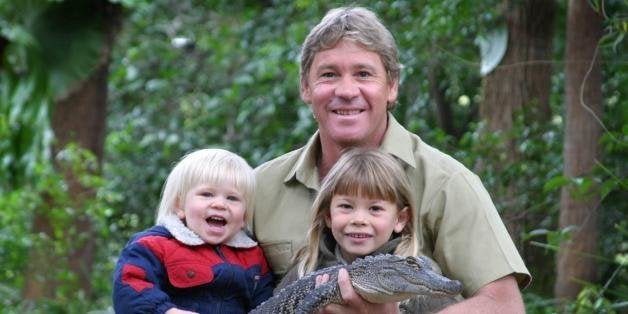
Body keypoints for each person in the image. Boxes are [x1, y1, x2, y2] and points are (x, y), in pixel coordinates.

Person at [250, 6, 531, 314]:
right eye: (329, 74)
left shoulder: (447, 182)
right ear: (306, 87)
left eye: (363, 74)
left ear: (392, 86)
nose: (346, 90)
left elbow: (505, 306)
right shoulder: (258, 187)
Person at [276, 148, 458, 313]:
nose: (359, 220)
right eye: (346, 206)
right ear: (328, 216)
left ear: (400, 218)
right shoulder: (305, 267)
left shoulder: (418, 277)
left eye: (375, 209)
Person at [113, 148, 273, 314]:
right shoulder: (154, 245)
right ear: (179, 206)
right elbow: (129, 285)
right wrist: (167, 311)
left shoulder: (254, 257)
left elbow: (266, 303)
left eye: (232, 198)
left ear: (245, 216)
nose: (220, 204)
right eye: (207, 194)